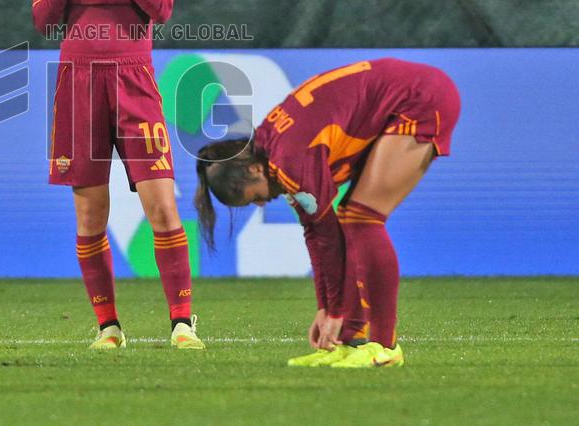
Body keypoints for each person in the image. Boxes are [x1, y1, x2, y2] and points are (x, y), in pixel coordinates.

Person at [32, 0, 203, 350]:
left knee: (162, 208)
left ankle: (182, 323)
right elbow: (44, 18)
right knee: (89, 216)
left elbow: (162, 7)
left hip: (133, 80)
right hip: (77, 82)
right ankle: (108, 327)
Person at [194, 58, 461, 368]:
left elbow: (327, 238)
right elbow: (316, 236)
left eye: (254, 197)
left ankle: (384, 347)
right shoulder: (272, 149)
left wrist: (335, 310)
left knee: (362, 218)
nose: (261, 204)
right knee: (351, 218)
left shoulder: (290, 161)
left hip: (420, 99)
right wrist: (328, 309)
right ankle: (352, 341)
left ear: (254, 169)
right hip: (405, 96)